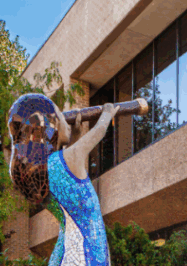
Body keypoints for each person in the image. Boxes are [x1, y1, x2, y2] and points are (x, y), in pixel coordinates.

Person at [7, 93, 118, 266]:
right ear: (51, 125)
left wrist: (74, 135)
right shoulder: (69, 158)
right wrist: (107, 114)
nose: (66, 120)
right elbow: (98, 132)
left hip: (64, 250)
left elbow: (67, 176)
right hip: (86, 249)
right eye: (61, 114)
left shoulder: (37, 171)